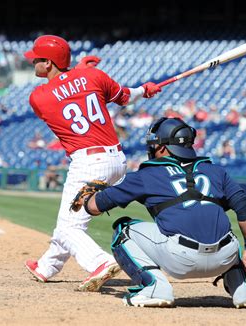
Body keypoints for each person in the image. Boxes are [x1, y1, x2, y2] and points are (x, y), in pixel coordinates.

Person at [23, 35, 162, 292]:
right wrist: (146, 90)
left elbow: (64, 90)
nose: (34, 63)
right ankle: (47, 266)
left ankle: (100, 263)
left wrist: (78, 72)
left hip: (88, 161)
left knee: (69, 228)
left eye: (38, 60)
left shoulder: (39, 97)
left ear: (49, 63)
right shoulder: (94, 76)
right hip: (116, 160)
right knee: (69, 218)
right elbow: (124, 97)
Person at [78, 117, 246, 307]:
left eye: (154, 145)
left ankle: (155, 287)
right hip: (225, 257)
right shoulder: (216, 171)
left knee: (123, 230)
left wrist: (87, 197)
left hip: (181, 259)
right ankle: (242, 290)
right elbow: (244, 208)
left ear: (163, 148)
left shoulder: (147, 175)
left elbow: (94, 207)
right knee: (225, 233)